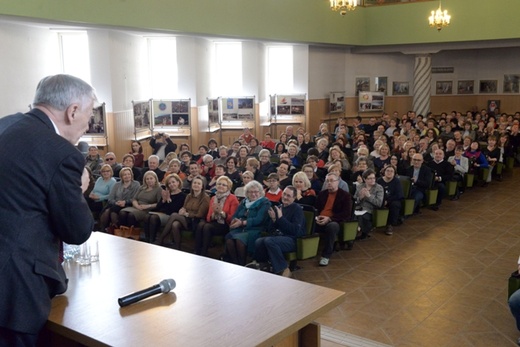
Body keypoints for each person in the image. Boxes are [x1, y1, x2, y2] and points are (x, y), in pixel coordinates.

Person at [0, 74, 95, 344]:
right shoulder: (60, 153)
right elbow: (77, 230)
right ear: (72, 111)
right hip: (14, 291)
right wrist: (79, 189)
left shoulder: (5, 126)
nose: (88, 126)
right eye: (89, 115)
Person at [248, 186, 305, 277]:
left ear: (294, 198)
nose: (285, 197)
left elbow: (295, 230)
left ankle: (283, 268)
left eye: (288, 196)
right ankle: (262, 264)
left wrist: (281, 218)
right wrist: (274, 219)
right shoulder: (279, 207)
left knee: (269, 241)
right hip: (278, 237)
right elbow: (271, 230)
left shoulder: (297, 209)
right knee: (259, 241)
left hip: (292, 240)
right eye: (284, 194)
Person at [156, 175, 209, 249]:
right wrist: (182, 211)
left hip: (196, 221)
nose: (196, 185)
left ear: (202, 186)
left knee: (174, 215)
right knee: (175, 224)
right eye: (194, 183)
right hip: (186, 219)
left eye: (198, 183)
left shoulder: (205, 198)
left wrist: (186, 214)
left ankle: (161, 239)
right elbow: (184, 207)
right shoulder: (189, 196)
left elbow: (199, 214)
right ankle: (177, 246)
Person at [225, 181, 270, 265]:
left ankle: (242, 264)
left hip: (255, 229)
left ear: (260, 192)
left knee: (239, 240)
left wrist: (242, 222)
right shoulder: (244, 202)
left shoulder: (264, 203)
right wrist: (234, 220)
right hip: (241, 228)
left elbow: (259, 219)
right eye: (251, 192)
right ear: (247, 193)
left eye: (256, 192)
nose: (253, 194)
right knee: (229, 240)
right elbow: (236, 214)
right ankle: (235, 264)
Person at [195, 176, 239, 257]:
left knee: (207, 226)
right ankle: (197, 251)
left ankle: (203, 253)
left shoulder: (233, 198)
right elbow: (208, 218)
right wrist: (214, 213)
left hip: (225, 224)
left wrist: (221, 212)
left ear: (228, 187)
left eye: (224, 185)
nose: (221, 186)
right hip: (214, 222)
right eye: (219, 184)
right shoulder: (213, 198)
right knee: (201, 225)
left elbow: (232, 218)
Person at [315, 172, 352, 267]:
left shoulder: (345, 195)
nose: (329, 183)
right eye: (327, 181)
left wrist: (329, 219)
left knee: (332, 227)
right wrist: (316, 217)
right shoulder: (322, 194)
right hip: (320, 218)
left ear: (338, 182)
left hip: (334, 220)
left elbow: (346, 214)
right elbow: (316, 209)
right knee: (307, 222)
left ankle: (326, 256)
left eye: (331, 181)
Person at [144, 173, 186, 243]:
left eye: (173, 182)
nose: (171, 184)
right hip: (161, 214)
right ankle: (147, 238)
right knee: (147, 216)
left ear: (178, 182)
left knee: (153, 217)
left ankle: (153, 240)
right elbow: (158, 207)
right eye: (169, 183)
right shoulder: (166, 193)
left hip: (170, 216)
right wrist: (163, 200)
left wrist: (169, 199)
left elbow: (173, 210)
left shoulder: (182, 196)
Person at [99, 167, 140, 232]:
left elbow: (135, 198)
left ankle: (116, 229)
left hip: (128, 205)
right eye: (124, 175)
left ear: (131, 175)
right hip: (116, 204)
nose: (127, 176)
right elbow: (111, 198)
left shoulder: (136, 184)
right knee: (108, 211)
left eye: (128, 174)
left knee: (112, 210)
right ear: (121, 176)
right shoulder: (117, 185)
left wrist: (125, 202)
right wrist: (116, 202)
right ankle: (103, 229)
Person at [354, 169, 384, 240]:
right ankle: (354, 232)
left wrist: (369, 196)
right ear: (364, 179)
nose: (372, 180)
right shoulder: (360, 186)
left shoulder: (379, 188)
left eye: (373, 178)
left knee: (363, 217)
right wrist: (360, 198)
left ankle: (362, 232)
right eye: (370, 178)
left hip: (370, 209)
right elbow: (355, 200)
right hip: (358, 208)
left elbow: (379, 203)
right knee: (352, 216)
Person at [377, 165, 404, 235]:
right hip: (381, 199)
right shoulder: (379, 180)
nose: (389, 172)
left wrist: (388, 201)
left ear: (394, 173)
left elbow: (399, 195)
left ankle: (390, 225)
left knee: (395, 205)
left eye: (391, 171)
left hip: (392, 200)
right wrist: (383, 201)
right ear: (384, 172)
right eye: (387, 171)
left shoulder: (396, 181)